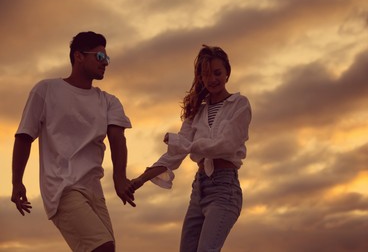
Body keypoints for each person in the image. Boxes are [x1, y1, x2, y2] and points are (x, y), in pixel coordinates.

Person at [11, 31, 135, 252]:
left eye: (107, 58)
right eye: (99, 57)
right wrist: (17, 182)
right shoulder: (46, 90)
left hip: (93, 188)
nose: (105, 63)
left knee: (108, 248)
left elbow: (118, 138)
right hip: (62, 187)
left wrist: (119, 178)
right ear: (78, 56)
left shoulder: (108, 102)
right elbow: (24, 136)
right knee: (102, 247)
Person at [129, 45, 252, 252]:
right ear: (201, 79)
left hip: (224, 189)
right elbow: (173, 155)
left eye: (217, 73)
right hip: (199, 189)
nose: (212, 79)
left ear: (227, 73)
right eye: (206, 75)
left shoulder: (239, 104)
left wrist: (184, 144)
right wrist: (140, 179)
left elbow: (225, 144)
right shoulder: (196, 113)